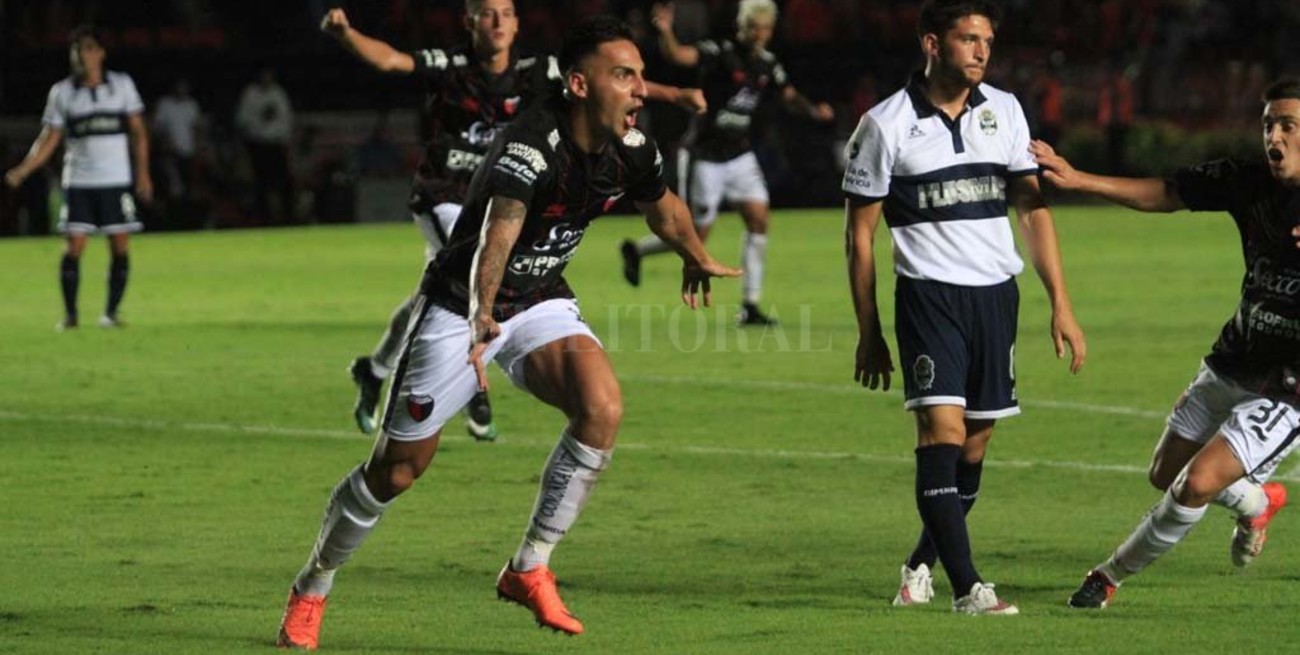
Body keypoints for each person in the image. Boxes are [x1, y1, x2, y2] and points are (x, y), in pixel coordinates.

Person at [276, 16, 740, 648]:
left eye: (639, 76)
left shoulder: (631, 147)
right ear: (579, 84)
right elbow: (499, 233)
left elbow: (663, 206)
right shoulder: (531, 144)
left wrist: (691, 251)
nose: (639, 90)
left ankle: (529, 566)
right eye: (624, 76)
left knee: (601, 406)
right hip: (462, 308)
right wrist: (482, 314)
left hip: (539, 300)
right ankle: (314, 582)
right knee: (398, 471)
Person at [321, 0, 705, 440]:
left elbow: (607, 81)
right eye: (487, 13)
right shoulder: (451, 65)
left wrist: (674, 94)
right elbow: (391, 61)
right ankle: (471, 378)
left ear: (518, 22)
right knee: (472, 274)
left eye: (506, 12)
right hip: (445, 196)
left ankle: (375, 368)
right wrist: (345, 33)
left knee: (438, 292)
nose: (498, 21)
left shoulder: (536, 71)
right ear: (470, 22)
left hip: (501, 195)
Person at [842, 0, 1085, 615]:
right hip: (929, 297)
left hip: (997, 298)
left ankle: (919, 565)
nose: (981, 51)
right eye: (968, 38)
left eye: (988, 41)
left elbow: (1032, 209)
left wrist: (1061, 302)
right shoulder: (885, 124)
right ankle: (969, 587)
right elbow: (859, 237)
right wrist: (869, 331)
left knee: (973, 447)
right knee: (941, 434)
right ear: (932, 43)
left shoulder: (1003, 109)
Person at [1030, 78, 1300, 610]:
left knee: (1196, 482)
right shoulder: (1247, 183)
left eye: (1289, 125)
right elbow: (1169, 193)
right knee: (1166, 474)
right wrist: (1080, 180)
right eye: (1269, 123)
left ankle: (1105, 578)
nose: (1275, 135)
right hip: (1234, 358)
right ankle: (1257, 501)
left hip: (1288, 386)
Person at [622, 0, 834, 326]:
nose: (759, 33)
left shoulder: (767, 63)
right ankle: (638, 251)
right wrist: (665, 31)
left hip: (739, 154)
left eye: (764, 28)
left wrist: (813, 111)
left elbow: (788, 95)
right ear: (742, 26)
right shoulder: (721, 52)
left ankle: (750, 305)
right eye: (753, 26)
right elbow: (679, 56)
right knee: (696, 237)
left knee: (759, 220)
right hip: (704, 155)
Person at [4, 24, 153, 330]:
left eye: (87, 48)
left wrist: (143, 174)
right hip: (80, 181)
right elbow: (49, 138)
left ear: (100, 53)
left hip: (116, 180)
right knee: (73, 246)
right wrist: (24, 168)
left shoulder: (122, 86)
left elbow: (139, 134)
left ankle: (110, 313)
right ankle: (71, 315)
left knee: (120, 245)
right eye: (76, 49)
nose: (81, 55)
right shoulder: (63, 92)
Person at [235, 67, 294, 225]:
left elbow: (286, 119)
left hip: (276, 144)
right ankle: (263, 218)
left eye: (270, 76)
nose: (267, 79)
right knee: (261, 183)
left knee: (283, 182)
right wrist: (261, 116)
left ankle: (287, 217)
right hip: (258, 144)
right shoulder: (251, 93)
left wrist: (286, 140)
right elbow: (242, 120)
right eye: (264, 76)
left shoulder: (278, 93)